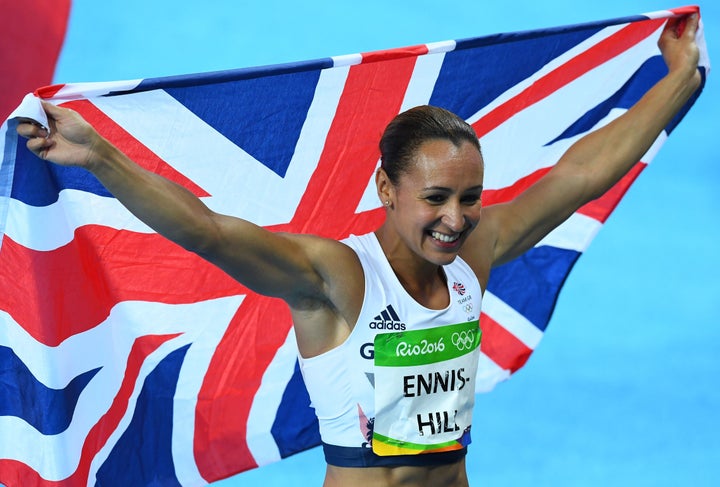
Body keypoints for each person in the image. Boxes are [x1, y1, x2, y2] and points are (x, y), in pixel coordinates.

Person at [17, 14, 701, 487]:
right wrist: (101, 156)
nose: (455, 218)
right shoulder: (335, 277)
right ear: (386, 188)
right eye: (436, 198)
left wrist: (676, 82)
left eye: (470, 197)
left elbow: (577, 175)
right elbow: (209, 231)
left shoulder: (474, 255)